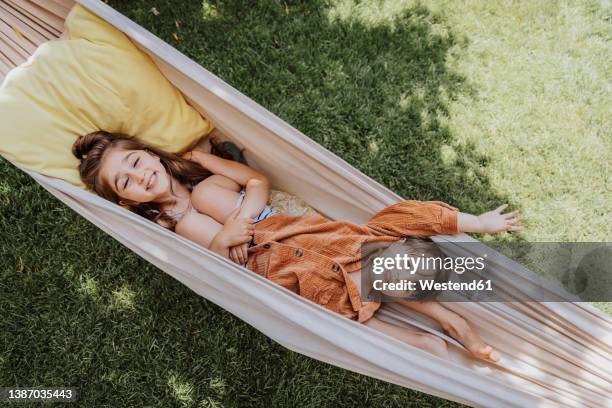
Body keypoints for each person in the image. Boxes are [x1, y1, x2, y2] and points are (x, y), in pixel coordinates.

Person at [73, 131, 526, 362]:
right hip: (275, 268)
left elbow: (257, 182)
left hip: (296, 233)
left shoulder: (202, 177)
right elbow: (219, 257)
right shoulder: (171, 225)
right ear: (125, 200)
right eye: (125, 182)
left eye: (135, 161)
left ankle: (449, 312)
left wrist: (240, 215)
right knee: (334, 312)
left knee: (369, 257)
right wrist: (226, 236)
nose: (139, 176)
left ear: (150, 153)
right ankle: (423, 344)